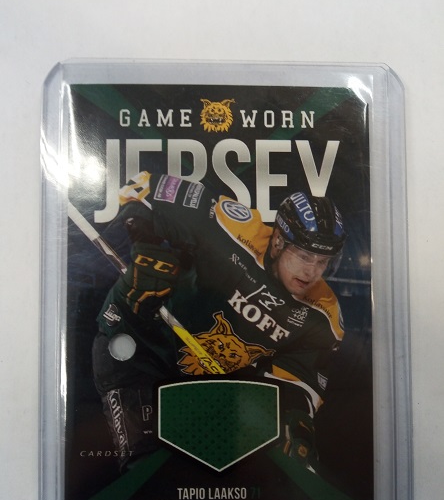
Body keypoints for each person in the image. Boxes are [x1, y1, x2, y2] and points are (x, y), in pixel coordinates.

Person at [92, 171, 346, 471]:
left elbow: (298, 380)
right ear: (278, 241)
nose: (311, 272)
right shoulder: (231, 226)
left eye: (322, 261)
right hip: (140, 351)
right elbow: (140, 186)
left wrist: (294, 424)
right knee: (148, 474)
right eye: (304, 256)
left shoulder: (323, 315)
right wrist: (147, 247)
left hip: (204, 391)